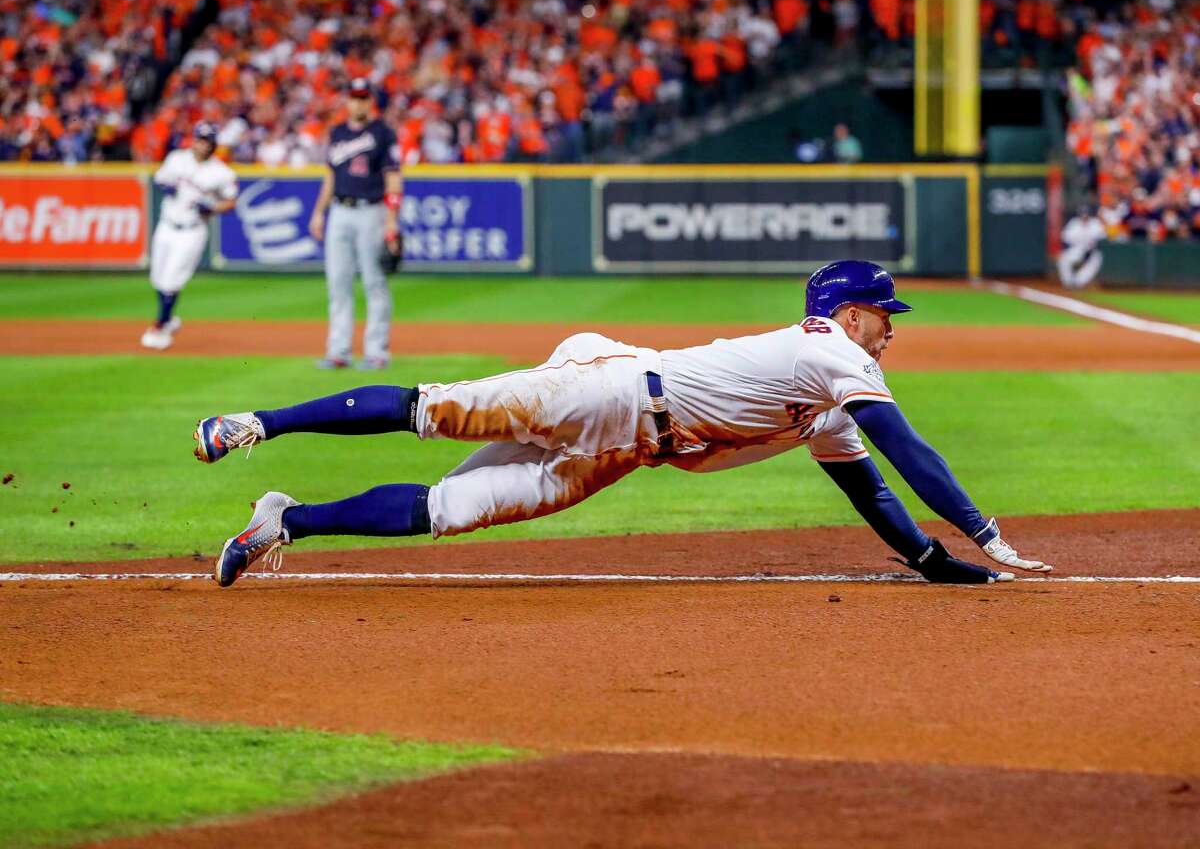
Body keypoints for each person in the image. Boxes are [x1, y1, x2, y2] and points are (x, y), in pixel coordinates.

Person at [193, 260, 1052, 588]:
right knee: (436, 410)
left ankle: (284, 523)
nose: (891, 326)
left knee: (448, 512)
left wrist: (933, 560)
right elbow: (910, 450)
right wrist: (982, 530)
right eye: (883, 312)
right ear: (849, 313)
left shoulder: (829, 397)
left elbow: (867, 482)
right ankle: (254, 423)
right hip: (611, 393)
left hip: (627, 450)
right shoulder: (832, 352)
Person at [307, 78, 402, 371]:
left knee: (374, 282)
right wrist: (318, 213)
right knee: (338, 282)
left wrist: (391, 221)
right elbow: (330, 177)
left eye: (363, 97)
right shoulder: (337, 132)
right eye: (354, 97)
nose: (358, 102)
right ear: (347, 100)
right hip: (339, 210)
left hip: (370, 211)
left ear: (370, 101)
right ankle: (339, 352)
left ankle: (376, 352)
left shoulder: (383, 133)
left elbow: (394, 178)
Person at [141, 123, 237, 350]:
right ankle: (170, 319)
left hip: (192, 230)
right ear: (193, 140)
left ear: (213, 145)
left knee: (172, 280)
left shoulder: (221, 172)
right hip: (166, 225)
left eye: (207, 141)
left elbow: (231, 201)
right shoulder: (176, 159)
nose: (202, 144)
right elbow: (160, 178)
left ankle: (161, 327)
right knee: (158, 278)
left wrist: (212, 208)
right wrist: (168, 186)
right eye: (199, 139)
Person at [1057, 204, 1107, 288]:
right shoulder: (1074, 223)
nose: (1084, 217)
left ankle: (1079, 282)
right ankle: (1068, 282)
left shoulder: (1095, 223)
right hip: (1077, 249)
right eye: (1083, 214)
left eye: (1086, 214)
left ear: (1089, 215)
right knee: (1063, 259)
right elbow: (1064, 237)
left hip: (1091, 250)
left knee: (1097, 258)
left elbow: (1103, 236)